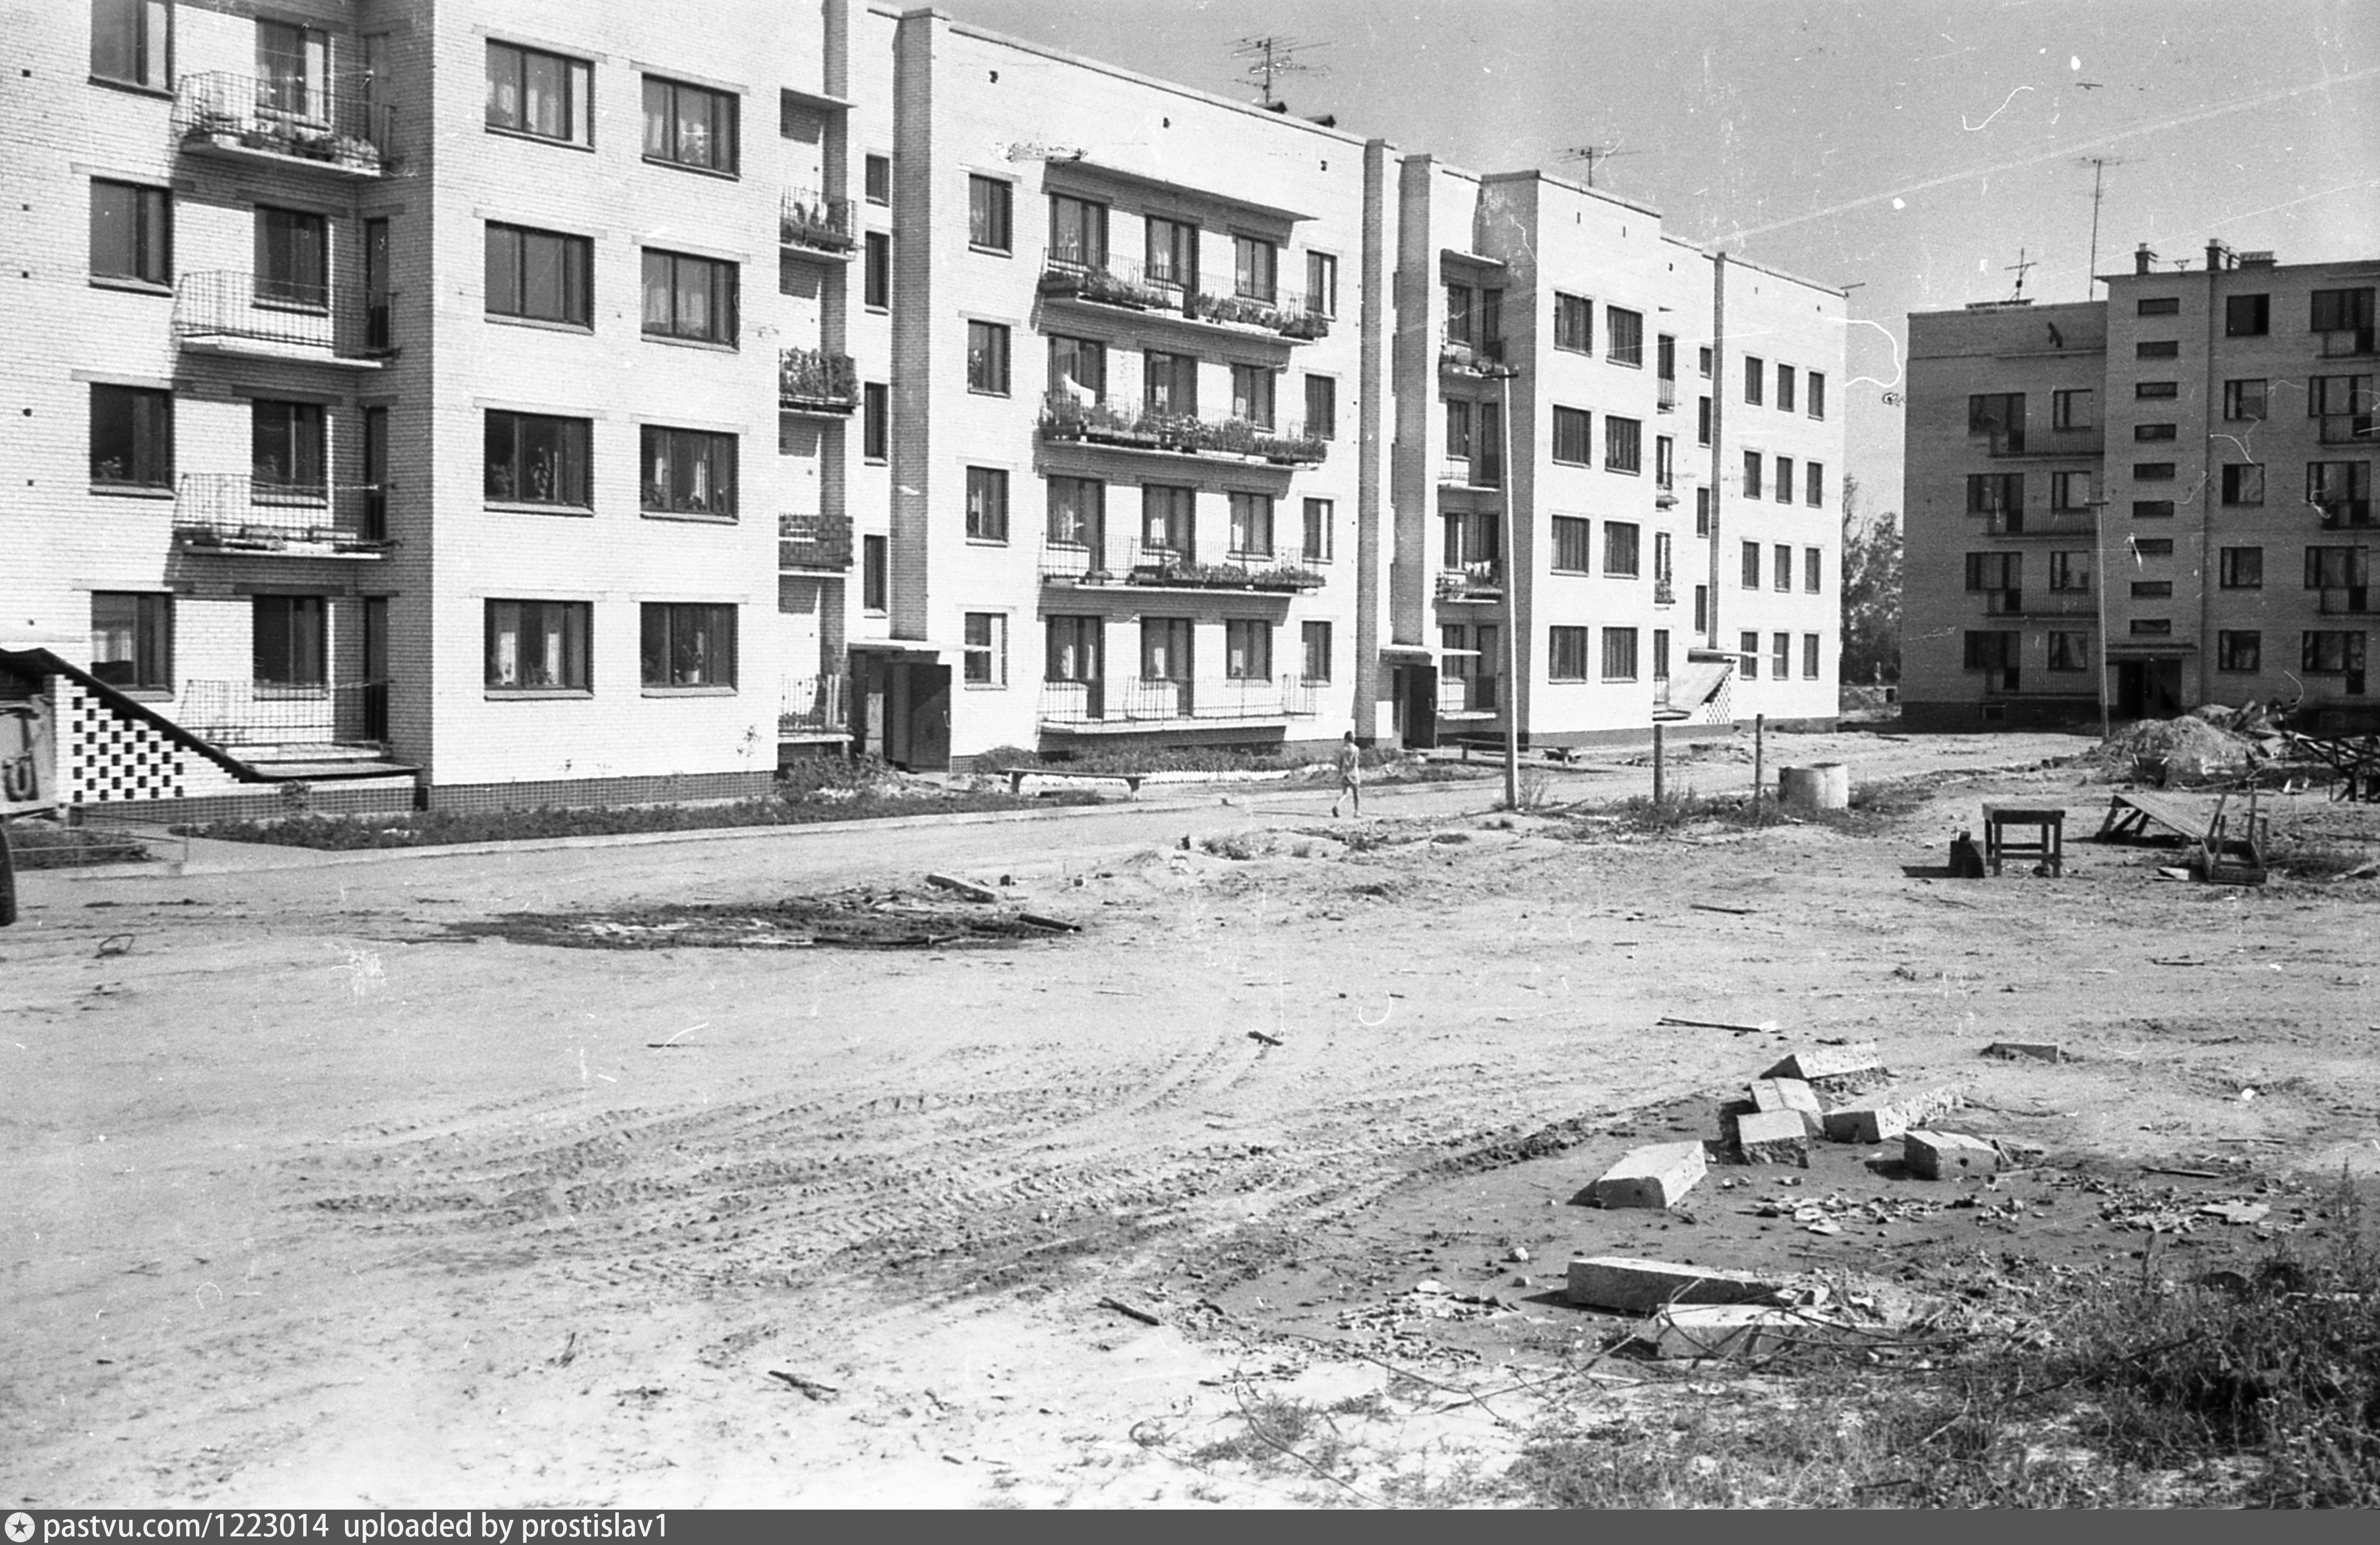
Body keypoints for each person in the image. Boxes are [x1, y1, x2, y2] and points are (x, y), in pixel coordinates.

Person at [1331, 730, 1362, 818]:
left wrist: (1340, 772)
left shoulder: (1343, 750)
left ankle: (1337, 806)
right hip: (1353, 773)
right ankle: (1356, 811)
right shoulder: (1355, 749)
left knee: (1345, 793)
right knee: (1356, 794)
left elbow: (1341, 762)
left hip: (1345, 773)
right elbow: (1355, 762)